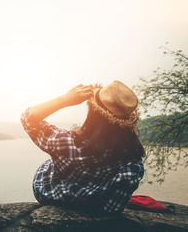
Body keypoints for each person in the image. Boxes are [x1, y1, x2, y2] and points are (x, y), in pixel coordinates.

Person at [20, 81, 145, 214]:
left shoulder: (65, 143)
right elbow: (113, 207)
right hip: (97, 207)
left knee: (51, 163)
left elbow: (28, 118)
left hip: (52, 195)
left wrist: (65, 99)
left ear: (92, 111)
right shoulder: (133, 163)